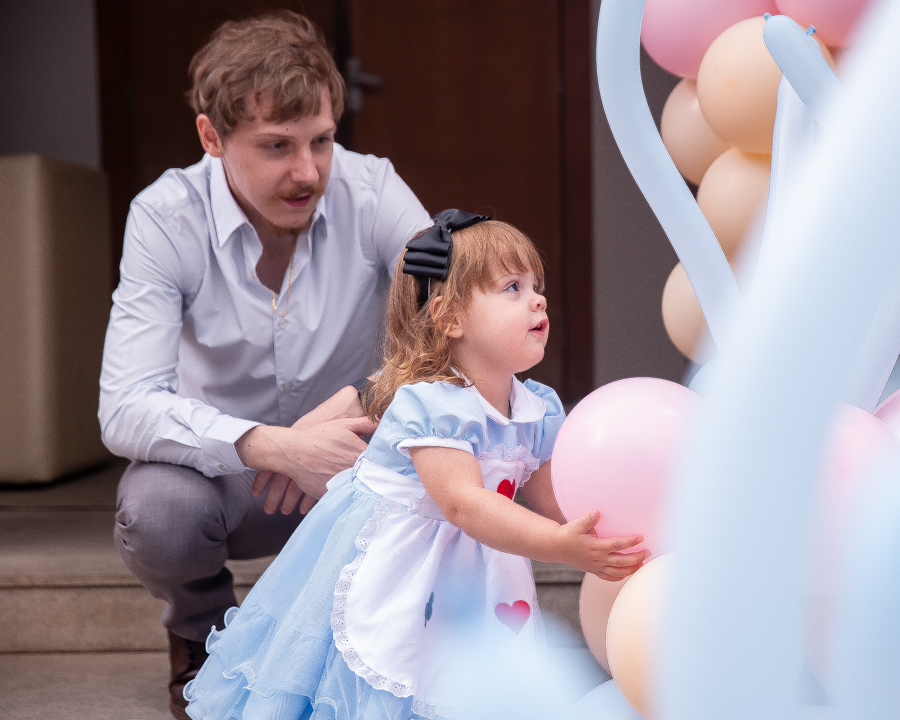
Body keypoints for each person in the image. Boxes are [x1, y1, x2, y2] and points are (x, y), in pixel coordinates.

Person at [182, 212, 649, 720]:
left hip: (478, 568)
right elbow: (463, 504)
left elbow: (544, 492)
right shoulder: (432, 405)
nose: (537, 299)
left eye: (536, 286)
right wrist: (561, 546)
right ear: (450, 318)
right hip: (404, 562)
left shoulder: (537, 407)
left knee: (466, 673)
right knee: (395, 665)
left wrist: (603, 528)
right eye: (512, 287)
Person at [96, 12, 430, 718]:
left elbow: (463, 321)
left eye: (321, 141)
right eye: (276, 146)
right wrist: (272, 445)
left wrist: (368, 400)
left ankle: (372, 642)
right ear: (211, 138)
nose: (307, 172)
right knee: (158, 510)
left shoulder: (372, 189)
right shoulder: (164, 217)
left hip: (353, 472)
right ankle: (203, 634)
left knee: (443, 447)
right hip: (233, 488)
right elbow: (125, 405)